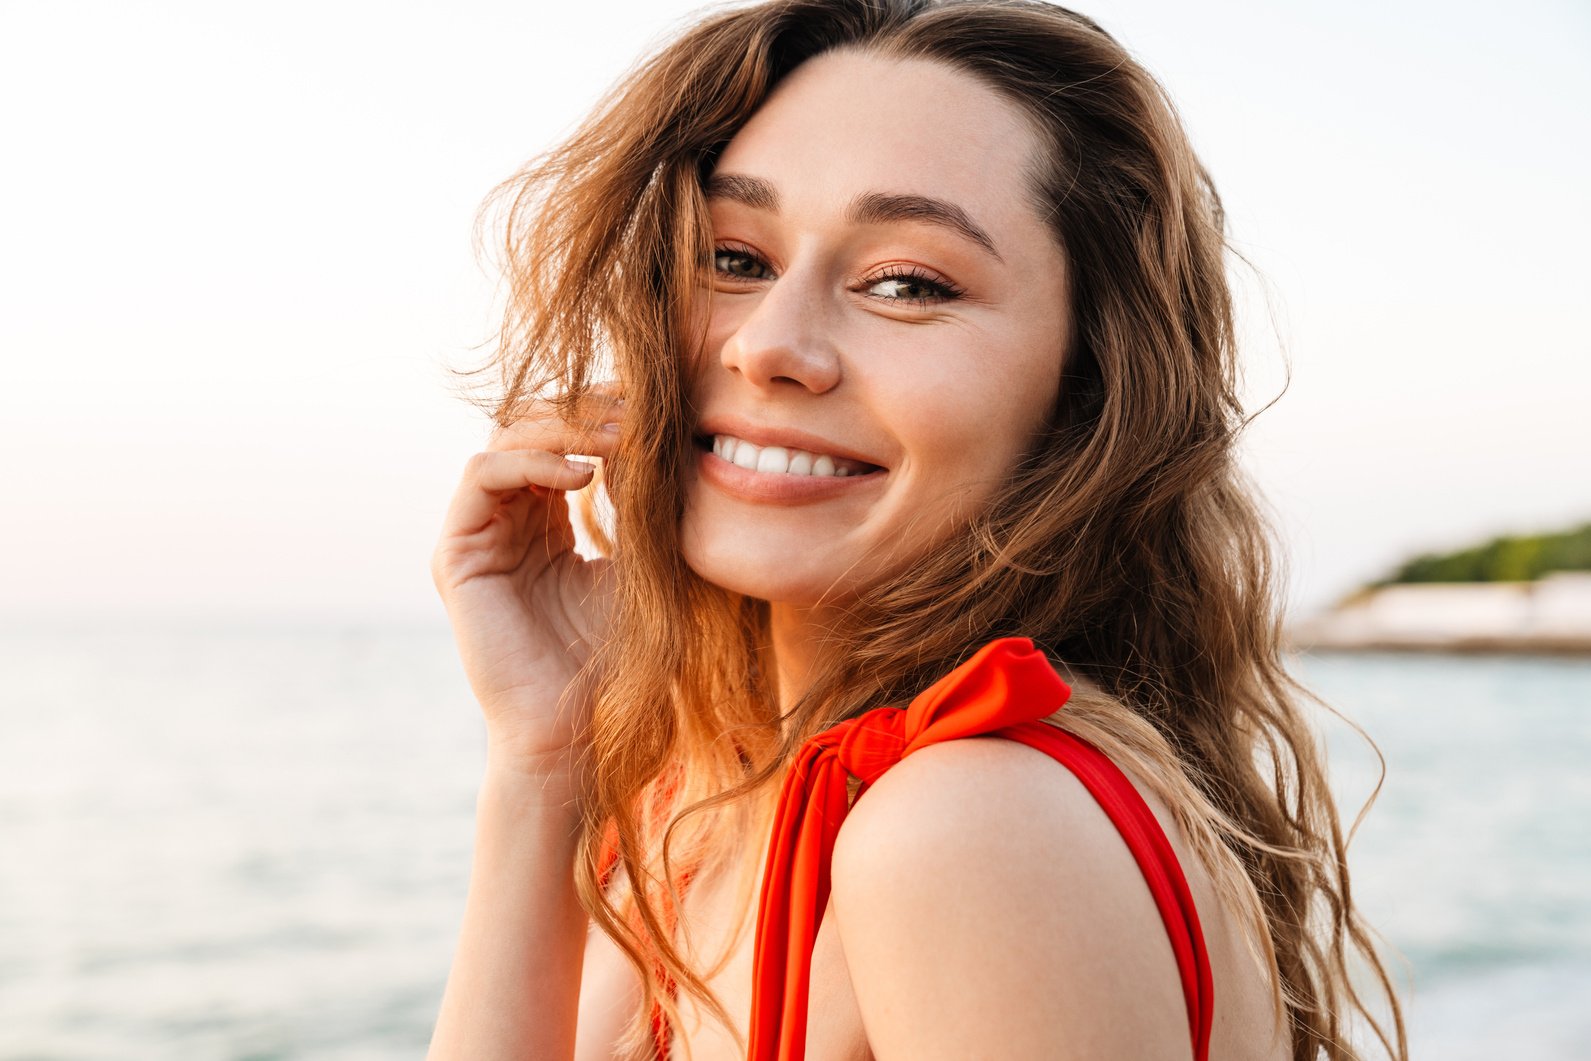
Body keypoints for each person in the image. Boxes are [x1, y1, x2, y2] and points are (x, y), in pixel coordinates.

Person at [426, 1, 1407, 1058]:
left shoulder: (970, 827)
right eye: (733, 258)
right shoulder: (695, 813)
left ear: (1088, 390)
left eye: (905, 282)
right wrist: (546, 755)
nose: (769, 345)